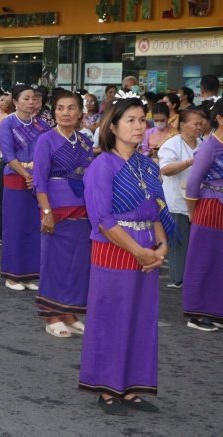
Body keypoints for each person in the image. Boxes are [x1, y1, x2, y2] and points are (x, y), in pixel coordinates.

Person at [80, 94, 172, 415]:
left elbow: (156, 210)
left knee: (141, 318)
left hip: (146, 248)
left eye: (141, 120)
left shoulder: (147, 165)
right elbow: (103, 221)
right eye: (130, 120)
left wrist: (162, 246)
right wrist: (139, 251)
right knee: (111, 318)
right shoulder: (101, 166)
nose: (138, 126)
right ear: (113, 125)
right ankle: (107, 389)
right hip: (115, 251)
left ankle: (132, 386)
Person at [33, 90, 93, 338]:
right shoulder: (45, 140)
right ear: (54, 112)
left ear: (80, 113)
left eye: (71, 108)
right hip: (56, 208)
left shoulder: (86, 141)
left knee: (77, 263)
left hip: (83, 209)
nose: (65, 113)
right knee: (54, 262)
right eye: (60, 108)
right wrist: (46, 212)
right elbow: (39, 180)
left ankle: (69, 314)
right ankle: (52, 315)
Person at [0, 84, 51, 290]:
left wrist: (36, 174)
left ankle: (28, 274)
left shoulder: (42, 125)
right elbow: (8, 155)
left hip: (36, 179)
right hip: (15, 177)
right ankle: (12, 275)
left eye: (34, 98)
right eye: (26, 98)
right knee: (15, 226)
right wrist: (26, 174)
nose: (31, 102)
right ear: (16, 100)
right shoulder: (7, 124)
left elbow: (46, 152)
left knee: (32, 227)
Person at [182, 98, 223, 332]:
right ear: (219, 118)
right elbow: (193, 182)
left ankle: (217, 311)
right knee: (202, 259)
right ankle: (196, 313)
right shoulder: (210, 145)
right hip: (208, 206)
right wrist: (192, 213)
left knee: (220, 261)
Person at [158, 109, 204, 290]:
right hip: (176, 200)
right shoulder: (172, 144)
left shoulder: (202, 144)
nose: (199, 127)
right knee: (178, 241)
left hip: (197, 200)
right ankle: (177, 279)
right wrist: (190, 162)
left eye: (201, 124)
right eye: (196, 124)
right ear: (183, 125)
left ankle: (191, 277)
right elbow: (166, 169)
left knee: (195, 242)